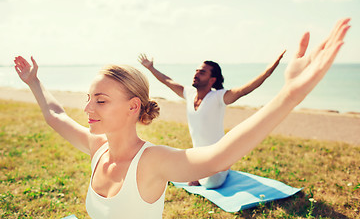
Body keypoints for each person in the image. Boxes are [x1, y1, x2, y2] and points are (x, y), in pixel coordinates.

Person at [14, 18, 350, 219]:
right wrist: (34, 82)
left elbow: (220, 156)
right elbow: (56, 115)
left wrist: (288, 95)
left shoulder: (152, 162)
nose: (87, 109)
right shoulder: (97, 148)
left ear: (134, 107)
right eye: (89, 99)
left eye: (100, 100)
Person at [138, 50, 285, 188]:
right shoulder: (189, 94)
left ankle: (200, 173)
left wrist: (268, 71)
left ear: (212, 79)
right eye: (196, 71)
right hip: (197, 158)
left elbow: (244, 90)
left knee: (209, 184)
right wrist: (151, 68)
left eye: (202, 72)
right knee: (165, 161)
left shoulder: (219, 97)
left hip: (218, 160)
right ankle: (195, 172)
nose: (196, 74)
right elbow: (167, 81)